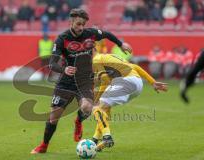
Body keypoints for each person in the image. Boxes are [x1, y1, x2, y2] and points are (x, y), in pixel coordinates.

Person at [31, 8, 132, 154]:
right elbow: (52, 63)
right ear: (71, 22)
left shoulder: (90, 33)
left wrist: (121, 44)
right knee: (54, 118)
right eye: (78, 24)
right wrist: (63, 70)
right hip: (65, 82)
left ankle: (78, 121)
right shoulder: (62, 38)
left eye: (83, 24)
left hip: (85, 80)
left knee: (86, 108)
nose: (81, 27)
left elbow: (107, 34)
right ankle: (44, 145)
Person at [91, 53, 167, 151]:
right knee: (105, 108)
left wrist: (96, 98)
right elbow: (135, 67)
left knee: (97, 108)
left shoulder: (96, 59)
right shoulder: (113, 57)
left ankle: (107, 137)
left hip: (125, 82)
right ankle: (95, 139)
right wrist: (152, 82)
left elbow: (105, 79)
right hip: (137, 84)